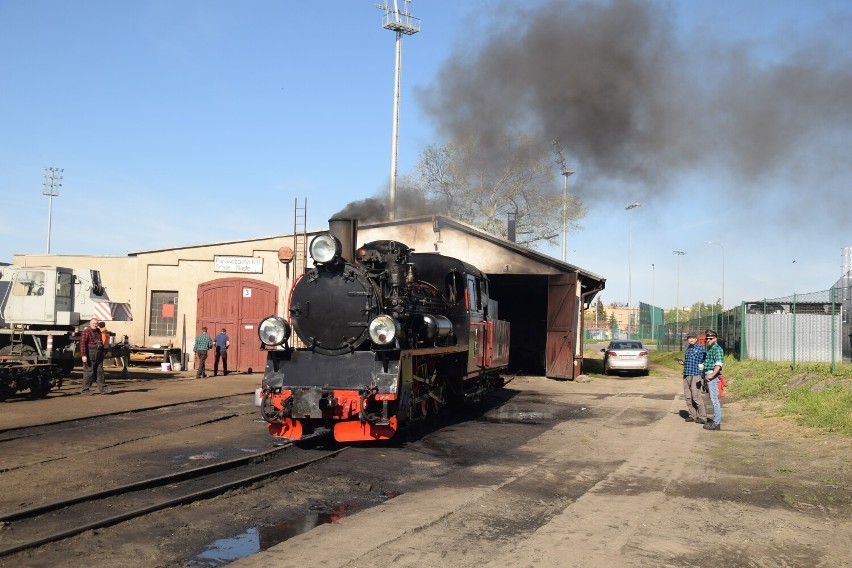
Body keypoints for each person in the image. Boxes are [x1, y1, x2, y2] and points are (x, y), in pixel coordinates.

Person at [678, 333, 708, 424]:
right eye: (689, 338)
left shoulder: (700, 349)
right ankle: (693, 415)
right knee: (688, 397)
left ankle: (703, 417)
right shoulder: (688, 349)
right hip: (686, 374)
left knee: (696, 397)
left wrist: (702, 374)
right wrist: (683, 363)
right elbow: (688, 362)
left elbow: (703, 362)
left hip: (695, 375)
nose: (690, 340)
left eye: (692, 338)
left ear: (696, 339)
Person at [80, 317, 112, 394]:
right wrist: (83, 355)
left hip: (98, 354)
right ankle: (85, 390)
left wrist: (103, 352)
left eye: (96, 323)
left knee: (100, 371)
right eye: (93, 323)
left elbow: (101, 342)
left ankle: (103, 389)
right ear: (90, 324)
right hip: (90, 355)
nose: (95, 325)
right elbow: (82, 344)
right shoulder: (86, 332)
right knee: (89, 372)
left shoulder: (98, 331)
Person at [703, 329, 724, 431]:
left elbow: (719, 364)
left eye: (710, 338)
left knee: (715, 400)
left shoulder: (717, 349)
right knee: (712, 399)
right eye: (707, 339)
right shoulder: (711, 349)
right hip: (708, 375)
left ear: (715, 339)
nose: (708, 340)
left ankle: (716, 423)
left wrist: (712, 375)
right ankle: (716, 421)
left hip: (712, 376)